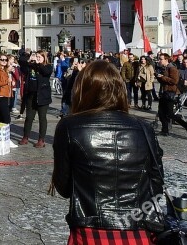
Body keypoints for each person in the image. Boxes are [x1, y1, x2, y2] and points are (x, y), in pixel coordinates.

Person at [51, 60, 165, 243]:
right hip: (136, 231)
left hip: (90, 231)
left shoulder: (69, 126)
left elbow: (64, 188)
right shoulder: (144, 128)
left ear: (82, 90)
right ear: (120, 90)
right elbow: (156, 183)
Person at [19, 50, 53, 148]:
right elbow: (21, 61)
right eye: (36, 56)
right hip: (31, 95)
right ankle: (25, 137)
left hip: (42, 96)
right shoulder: (31, 66)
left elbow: (45, 72)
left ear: (44, 58)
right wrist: (29, 59)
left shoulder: (48, 66)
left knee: (42, 118)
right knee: (29, 117)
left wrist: (39, 64)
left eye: (39, 57)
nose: (37, 58)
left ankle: (41, 139)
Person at [0, 55, 13, 124]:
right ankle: (5, 133)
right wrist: (7, 81)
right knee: (7, 119)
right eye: (2, 59)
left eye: (6, 60)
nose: (4, 61)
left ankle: (1, 133)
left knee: (2, 119)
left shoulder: (4, 69)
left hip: (4, 95)